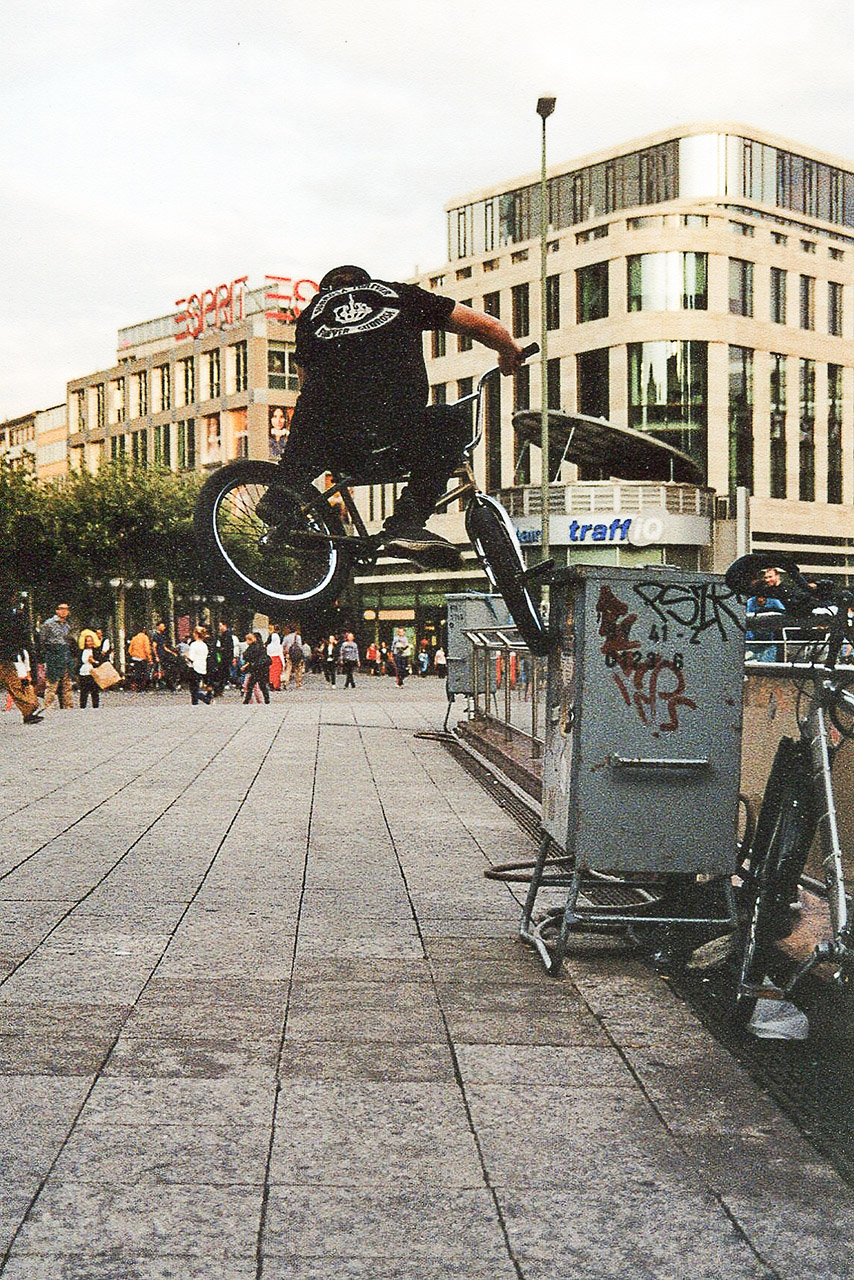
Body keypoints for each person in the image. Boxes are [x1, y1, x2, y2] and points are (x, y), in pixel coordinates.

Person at [258, 264, 525, 570]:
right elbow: (482, 325)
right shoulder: (400, 295)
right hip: (394, 435)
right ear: (368, 282)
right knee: (451, 421)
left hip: (337, 446)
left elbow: (305, 382)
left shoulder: (311, 316)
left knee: (315, 411)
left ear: (325, 291)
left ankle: (282, 493)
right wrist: (508, 352)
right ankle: (406, 523)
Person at [0, 591, 42, 724]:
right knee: (14, 684)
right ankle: (29, 708)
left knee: (14, 684)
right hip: (6, 656)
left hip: (7, 656)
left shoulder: (13, 616)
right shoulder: (10, 617)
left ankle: (28, 711)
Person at [40, 602, 75, 710]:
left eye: (66, 609)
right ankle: (48, 705)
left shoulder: (67, 625)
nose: (64, 611)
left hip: (65, 654)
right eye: (61, 609)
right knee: (52, 683)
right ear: (57, 610)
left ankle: (68, 706)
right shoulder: (49, 624)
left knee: (67, 683)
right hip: (53, 654)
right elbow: (42, 639)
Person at [242, 632, 271, 704]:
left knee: (250, 685)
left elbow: (248, 657)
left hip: (255, 668)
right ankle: (266, 699)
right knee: (261, 685)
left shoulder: (253, 647)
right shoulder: (261, 647)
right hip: (261, 669)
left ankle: (247, 700)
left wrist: (246, 665)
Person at [152, 621, 180, 691]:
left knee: (165, 670)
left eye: (164, 626)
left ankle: (167, 685)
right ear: (158, 627)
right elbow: (154, 647)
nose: (163, 628)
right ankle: (159, 684)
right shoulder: (155, 636)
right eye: (162, 626)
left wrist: (172, 653)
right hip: (159, 655)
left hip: (163, 655)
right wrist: (156, 656)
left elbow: (164, 647)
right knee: (158, 670)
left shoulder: (162, 636)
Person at [186, 626, 212, 705]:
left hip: (194, 667)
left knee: (193, 689)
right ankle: (196, 703)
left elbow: (191, 658)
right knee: (195, 687)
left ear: (196, 634)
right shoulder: (204, 645)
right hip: (202, 666)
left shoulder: (194, 644)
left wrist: (186, 656)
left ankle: (206, 700)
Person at [283, 622, 304, 689]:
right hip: (297, 655)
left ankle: (286, 682)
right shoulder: (298, 637)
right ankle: (298, 683)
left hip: (289, 654)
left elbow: (283, 645)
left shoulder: (286, 637)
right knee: (298, 669)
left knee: (288, 668)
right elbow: (300, 646)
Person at [266, 624, 284, 691]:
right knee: (277, 673)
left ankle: (271, 683)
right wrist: (283, 663)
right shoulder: (279, 646)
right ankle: (276, 685)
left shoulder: (269, 646)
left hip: (270, 659)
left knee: (271, 672)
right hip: (277, 659)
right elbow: (281, 654)